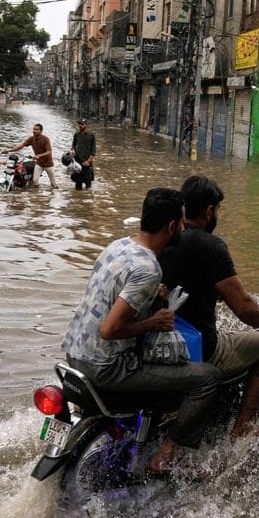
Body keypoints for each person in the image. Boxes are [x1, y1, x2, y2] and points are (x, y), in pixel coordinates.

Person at [61, 188, 220, 476]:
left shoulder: (117, 246)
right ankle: (165, 458)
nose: (183, 229)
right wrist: (153, 323)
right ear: (172, 226)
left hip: (75, 357)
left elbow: (107, 299)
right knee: (207, 378)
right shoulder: (148, 268)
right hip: (106, 367)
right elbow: (109, 329)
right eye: (182, 224)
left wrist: (150, 297)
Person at [159, 176, 259, 439]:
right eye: (217, 209)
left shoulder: (164, 238)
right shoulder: (212, 246)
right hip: (201, 349)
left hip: (163, 342)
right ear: (209, 211)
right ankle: (243, 426)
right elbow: (243, 308)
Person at [3, 123, 56, 188]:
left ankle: (53, 195)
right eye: (33, 129)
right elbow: (21, 146)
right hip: (39, 164)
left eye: (36, 129)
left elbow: (49, 151)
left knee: (53, 184)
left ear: (41, 131)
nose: (34, 131)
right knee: (35, 182)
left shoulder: (45, 139)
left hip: (49, 164)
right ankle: (37, 196)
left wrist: (38, 155)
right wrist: (9, 150)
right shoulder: (31, 139)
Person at [70, 119, 96, 190]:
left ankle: (87, 199)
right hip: (77, 162)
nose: (80, 126)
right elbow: (73, 146)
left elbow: (93, 151)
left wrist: (88, 161)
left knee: (88, 184)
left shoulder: (91, 136)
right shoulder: (76, 134)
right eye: (79, 124)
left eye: (82, 124)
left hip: (87, 162)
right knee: (78, 184)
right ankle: (78, 199)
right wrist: (72, 152)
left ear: (86, 125)